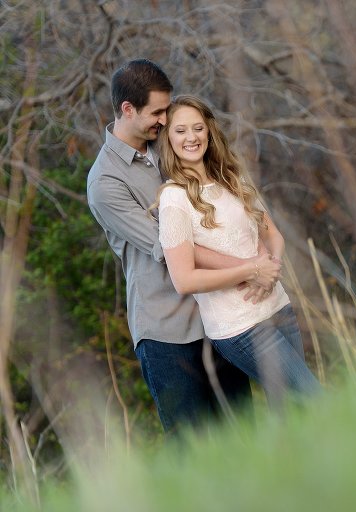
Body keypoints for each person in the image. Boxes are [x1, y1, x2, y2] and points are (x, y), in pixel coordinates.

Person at [87, 59, 268, 434]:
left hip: (220, 318)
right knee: (192, 447)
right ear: (127, 109)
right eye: (157, 112)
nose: (165, 120)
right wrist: (247, 266)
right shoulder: (105, 182)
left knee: (244, 436)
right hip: (167, 333)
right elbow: (171, 248)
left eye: (166, 111)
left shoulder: (169, 143)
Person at [154, 94, 320, 408]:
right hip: (240, 325)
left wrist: (271, 269)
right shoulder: (173, 199)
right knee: (315, 401)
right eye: (181, 131)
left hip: (278, 307)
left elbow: (273, 235)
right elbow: (184, 280)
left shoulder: (232, 177)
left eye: (198, 128)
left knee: (292, 415)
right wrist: (251, 271)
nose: (192, 137)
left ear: (208, 131)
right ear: (168, 138)